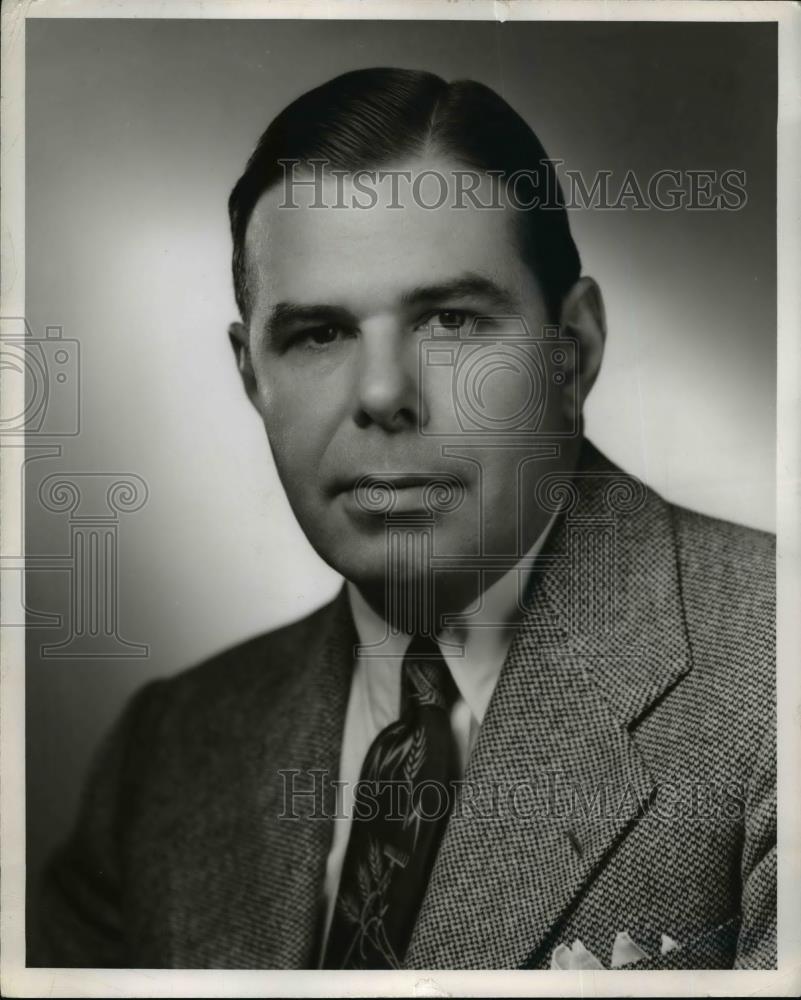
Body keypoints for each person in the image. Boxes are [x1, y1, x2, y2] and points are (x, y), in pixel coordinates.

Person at [33, 68, 775, 971]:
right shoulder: (166, 751)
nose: (384, 394)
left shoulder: (776, 675)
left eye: (451, 320)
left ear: (569, 355)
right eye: (318, 334)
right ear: (250, 375)